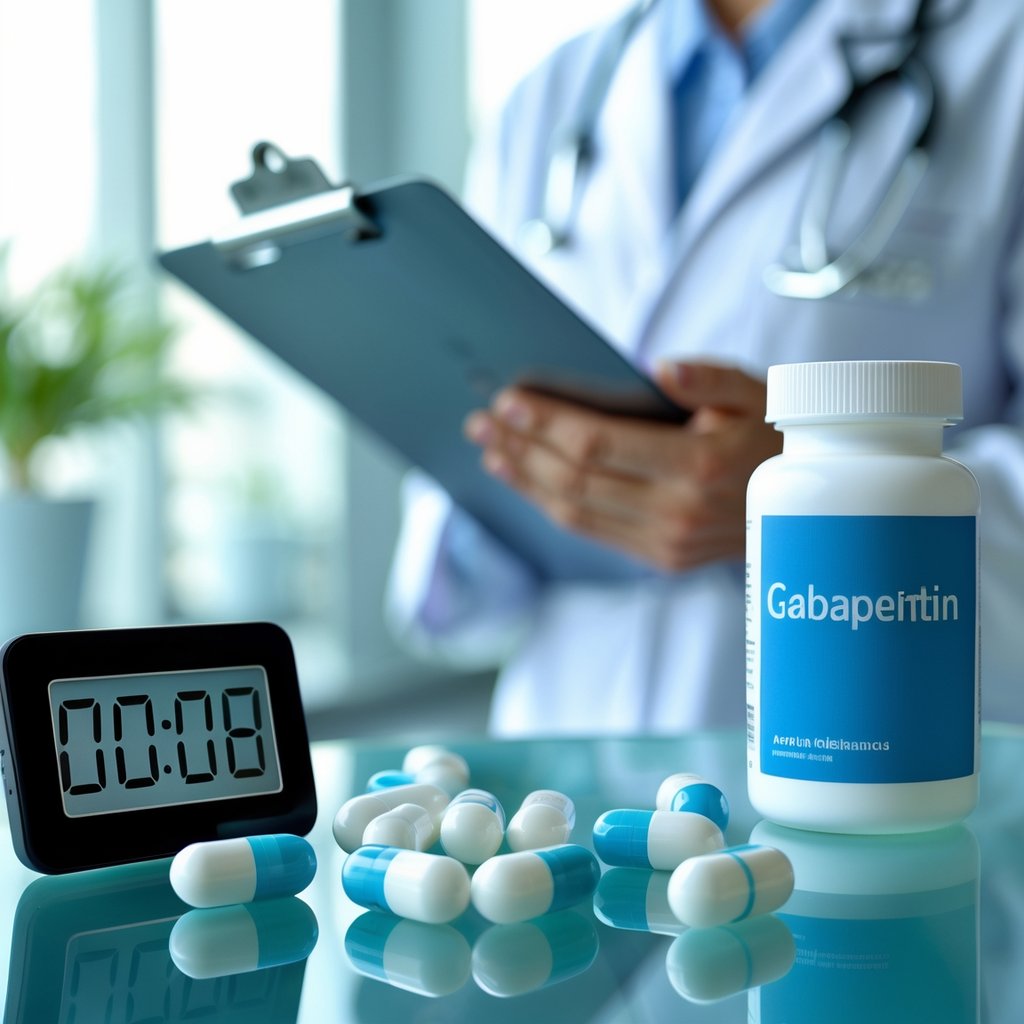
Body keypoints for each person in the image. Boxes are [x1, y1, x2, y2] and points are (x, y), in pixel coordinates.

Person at [386, 0, 1024, 736]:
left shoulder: (1000, 54)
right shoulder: (555, 92)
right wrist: (526, 470)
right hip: (558, 772)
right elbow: (454, 581)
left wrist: (814, 498)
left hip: (873, 754)